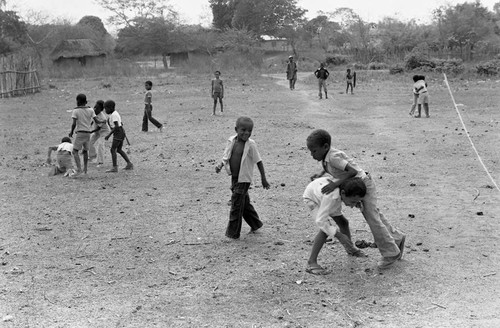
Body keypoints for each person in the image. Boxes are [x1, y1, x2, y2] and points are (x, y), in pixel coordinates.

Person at [306, 129, 406, 269]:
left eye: (314, 151)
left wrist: (335, 184)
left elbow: (352, 171)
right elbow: (334, 168)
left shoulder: (333, 156)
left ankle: (390, 253)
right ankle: (396, 238)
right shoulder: (327, 157)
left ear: (325, 147)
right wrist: (321, 173)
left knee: (373, 219)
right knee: (374, 215)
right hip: (357, 184)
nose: (312, 154)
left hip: (362, 185)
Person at [215, 116, 270, 239]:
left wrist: (263, 178)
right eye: (243, 130)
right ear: (236, 129)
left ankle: (233, 233)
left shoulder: (251, 145)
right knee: (243, 203)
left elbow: (259, 161)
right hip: (234, 178)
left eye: (249, 130)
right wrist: (220, 165)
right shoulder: (232, 141)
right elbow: (226, 155)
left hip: (244, 179)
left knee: (236, 205)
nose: (247, 133)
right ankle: (255, 224)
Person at [303, 177, 368, 275]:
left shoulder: (340, 193)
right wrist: (338, 235)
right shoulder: (331, 198)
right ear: (343, 193)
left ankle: (350, 248)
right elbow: (320, 221)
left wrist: (357, 202)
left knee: (343, 222)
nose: (352, 205)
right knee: (325, 230)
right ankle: (311, 262)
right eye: (353, 201)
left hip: (325, 196)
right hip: (313, 198)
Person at [69, 93, 100, 175]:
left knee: (75, 151)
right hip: (88, 133)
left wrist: (71, 131)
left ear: (77, 101)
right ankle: (85, 169)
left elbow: (74, 124)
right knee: (85, 151)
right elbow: (96, 120)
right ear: (86, 101)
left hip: (80, 133)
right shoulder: (90, 110)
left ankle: (79, 169)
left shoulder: (76, 110)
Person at [104, 100, 134, 172]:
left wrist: (109, 134)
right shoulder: (115, 114)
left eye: (106, 108)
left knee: (113, 149)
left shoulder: (114, 115)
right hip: (120, 132)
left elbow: (116, 126)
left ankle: (115, 167)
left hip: (118, 133)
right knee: (119, 149)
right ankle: (129, 164)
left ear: (110, 108)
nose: (105, 110)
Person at [89, 100, 110, 167]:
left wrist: (91, 131)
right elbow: (92, 121)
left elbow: (98, 127)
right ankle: (93, 157)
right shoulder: (94, 113)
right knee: (90, 142)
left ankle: (101, 162)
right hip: (97, 132)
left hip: (104, 132)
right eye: (94, 107)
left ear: (101, 110)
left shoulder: (102, 117)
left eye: (97, 108)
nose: (95, 109)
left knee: (100, 144)